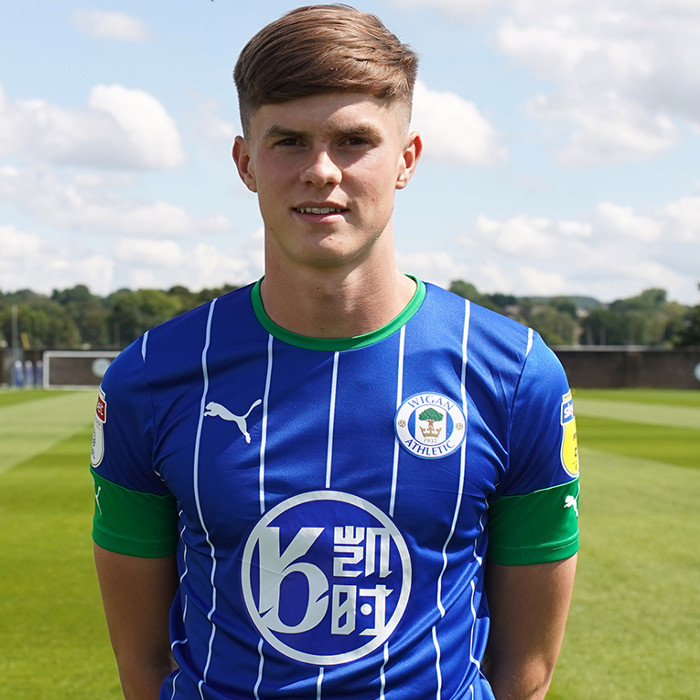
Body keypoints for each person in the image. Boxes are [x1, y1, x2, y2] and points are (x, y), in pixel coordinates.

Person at [91, 5, 579, 699]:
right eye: (289, 141)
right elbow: (142, 667)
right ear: (246, 163)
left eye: (354, 141)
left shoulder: (516, 374)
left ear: (406, 159)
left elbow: (525, 672)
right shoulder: (150, 377)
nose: (322, 171)